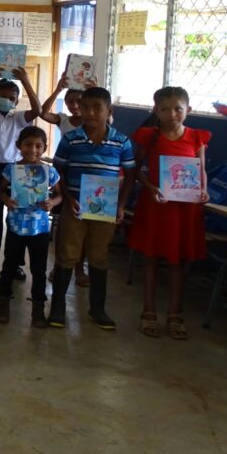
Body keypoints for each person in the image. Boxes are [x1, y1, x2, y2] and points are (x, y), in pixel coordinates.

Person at [50, 87, 136, 330]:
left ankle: (97, 309)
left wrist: (120, 206)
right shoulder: (70, 139)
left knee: (99, 256)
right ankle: (57, 308)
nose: (90, 112)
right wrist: (67, 198)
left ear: (109, 111)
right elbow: (58, 173)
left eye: (97, 108)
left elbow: (130, 176)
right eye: (85, 107)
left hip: (105, 210)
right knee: (67, 254)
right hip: (75, 208)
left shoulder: (122, 141)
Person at [128, 86, 210, 340]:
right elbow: (136, 169)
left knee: (178, 261)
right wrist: (150, 187)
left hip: (185, 209)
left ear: (188, 110)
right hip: (156, 205)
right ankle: (148, 311)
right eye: (165, 109)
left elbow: (201, 169)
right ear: (156, 111)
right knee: (151, 259)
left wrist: (204, 190)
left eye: (178, 108)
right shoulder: (148, 136)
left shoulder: (197, 137)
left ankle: (175, 313)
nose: (172, 114)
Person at [0, 126, 61, 328]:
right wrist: (6, 198)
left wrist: (52, 202)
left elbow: (59, 195)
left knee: (39, 269)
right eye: (28, 144)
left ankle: (38, 309)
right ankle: (3, 303)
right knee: (9, 267)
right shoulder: (11, 170)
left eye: (38, 145)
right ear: (19, 146)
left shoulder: (49, 171)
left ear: (44, 148)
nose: (33, 149)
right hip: (16, 227)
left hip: (39, 229)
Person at [0, 66, 42, 277]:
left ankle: (14, 263)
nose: (6, 99)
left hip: (18, 170)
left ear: (16, 101)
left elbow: (38, 109)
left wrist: (25, 80)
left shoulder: (19, 118)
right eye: (2, 96)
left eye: (11, 97)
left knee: (18, 217)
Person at [40, 76, 90, 287]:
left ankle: (80, 269)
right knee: (62, 227)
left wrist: (94, 88)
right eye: (71, 101)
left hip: (86, 179)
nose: (75, 106)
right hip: (64, 177)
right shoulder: (64, 119)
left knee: (84, 226)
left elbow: (109, 114)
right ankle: (59, 265)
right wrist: (58, 89)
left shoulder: (94, 121)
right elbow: (43, 112)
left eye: (80, 101)